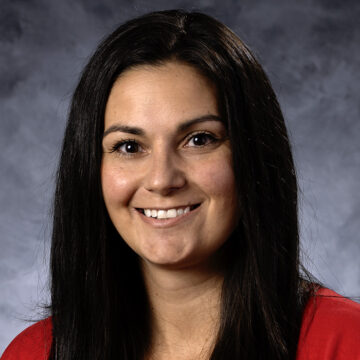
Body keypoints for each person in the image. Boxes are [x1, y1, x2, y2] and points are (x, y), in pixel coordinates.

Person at [2, 9, 360, 360]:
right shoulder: (34, 353)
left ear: (253, 154)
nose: (162, 179)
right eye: (129, 146)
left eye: (199, 140)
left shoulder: (345, 342)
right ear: (90, 169)